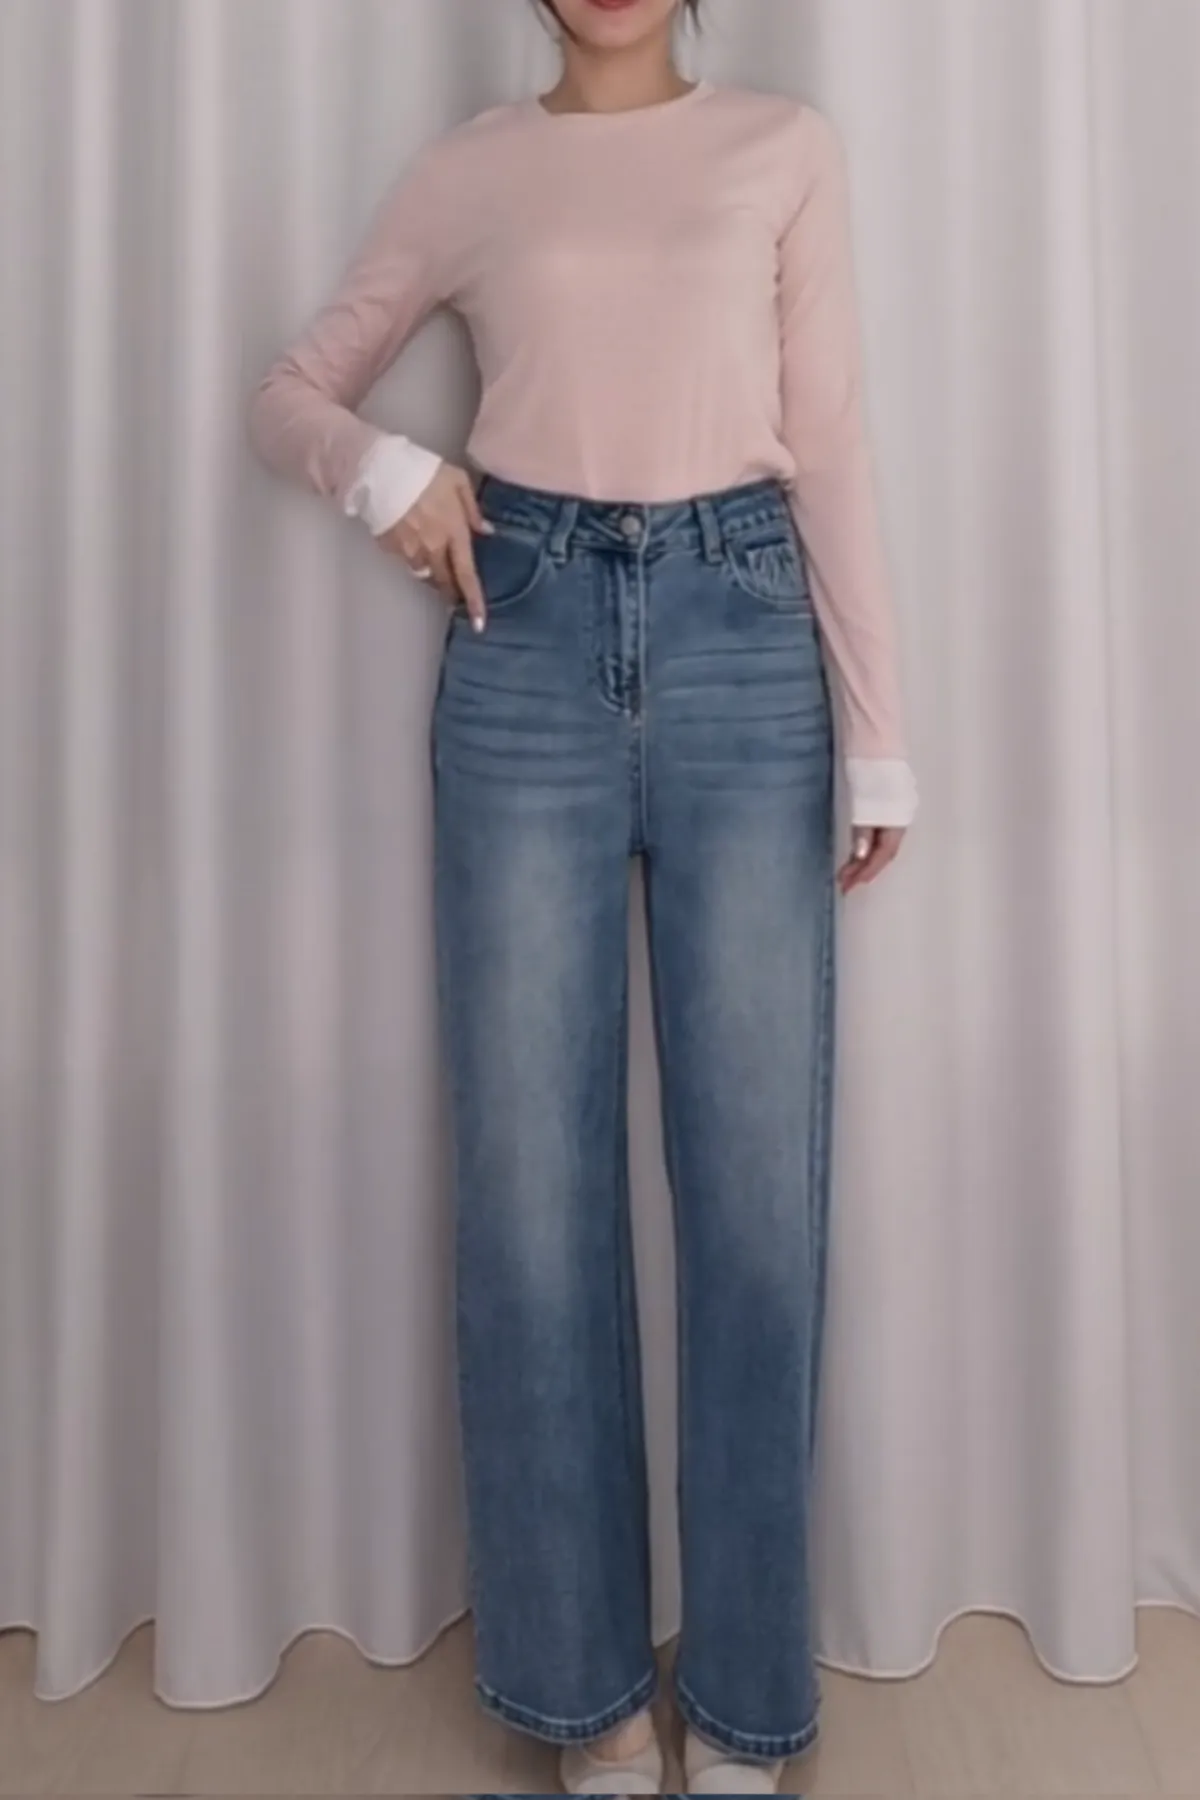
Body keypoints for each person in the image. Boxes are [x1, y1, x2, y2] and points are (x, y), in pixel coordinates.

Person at [248, 0, 918, 1792]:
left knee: (757, 1199)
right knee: (532, 1199)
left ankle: (749, 1707)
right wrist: (388, 471)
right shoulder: (471, 170)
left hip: (743, 641)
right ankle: (589, 1702)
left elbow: (833, 440)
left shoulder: (781, 147)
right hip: (524, 646)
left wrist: (880, 736)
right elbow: (290, 389)